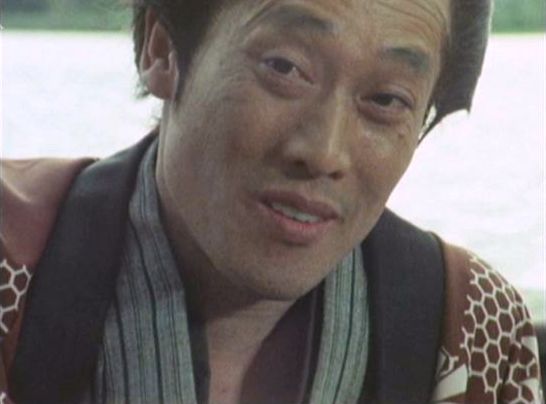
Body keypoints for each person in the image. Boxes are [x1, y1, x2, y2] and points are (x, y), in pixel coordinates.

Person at [0, 0, 543, 402]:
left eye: (386, 99)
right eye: (284, 68)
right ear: (161, 48)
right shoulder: (11, 268)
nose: (324, 152)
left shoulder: (472, 329)